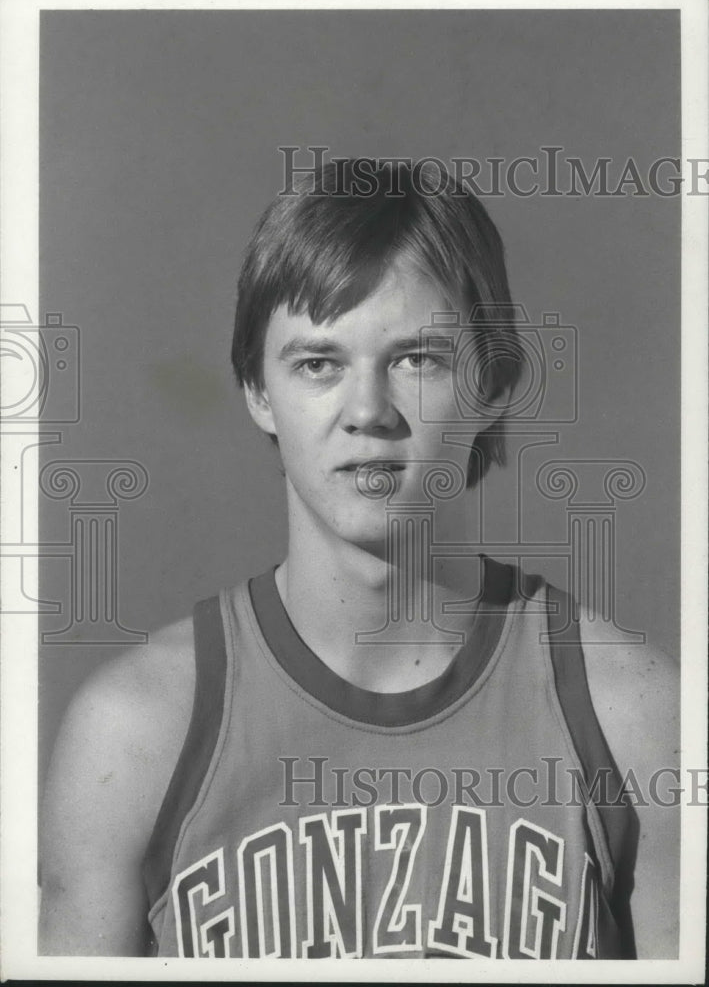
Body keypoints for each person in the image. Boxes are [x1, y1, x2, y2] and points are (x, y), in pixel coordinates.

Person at [39, 160, 678, 959]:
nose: (368, 412)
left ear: (495, 384)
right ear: (257, 390)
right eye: (318, 364)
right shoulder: (134, 735)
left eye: (418, 359)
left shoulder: (634, 719)